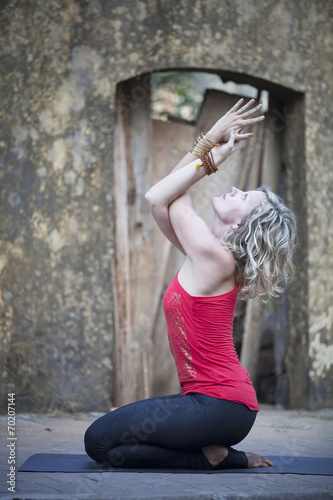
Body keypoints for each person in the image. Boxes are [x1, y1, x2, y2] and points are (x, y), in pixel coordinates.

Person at [84, 98, 297, 470]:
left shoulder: (215, 259)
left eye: (246, 198)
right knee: (106, 446)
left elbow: (157, 194)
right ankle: (213, 453)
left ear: (243, 226)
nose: (236, 190)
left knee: (100, 443)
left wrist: (213, 144)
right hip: (216, 405)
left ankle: (222, 458)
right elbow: (163, 199)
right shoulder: (205, 254)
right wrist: (208, 147)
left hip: (220, 405)